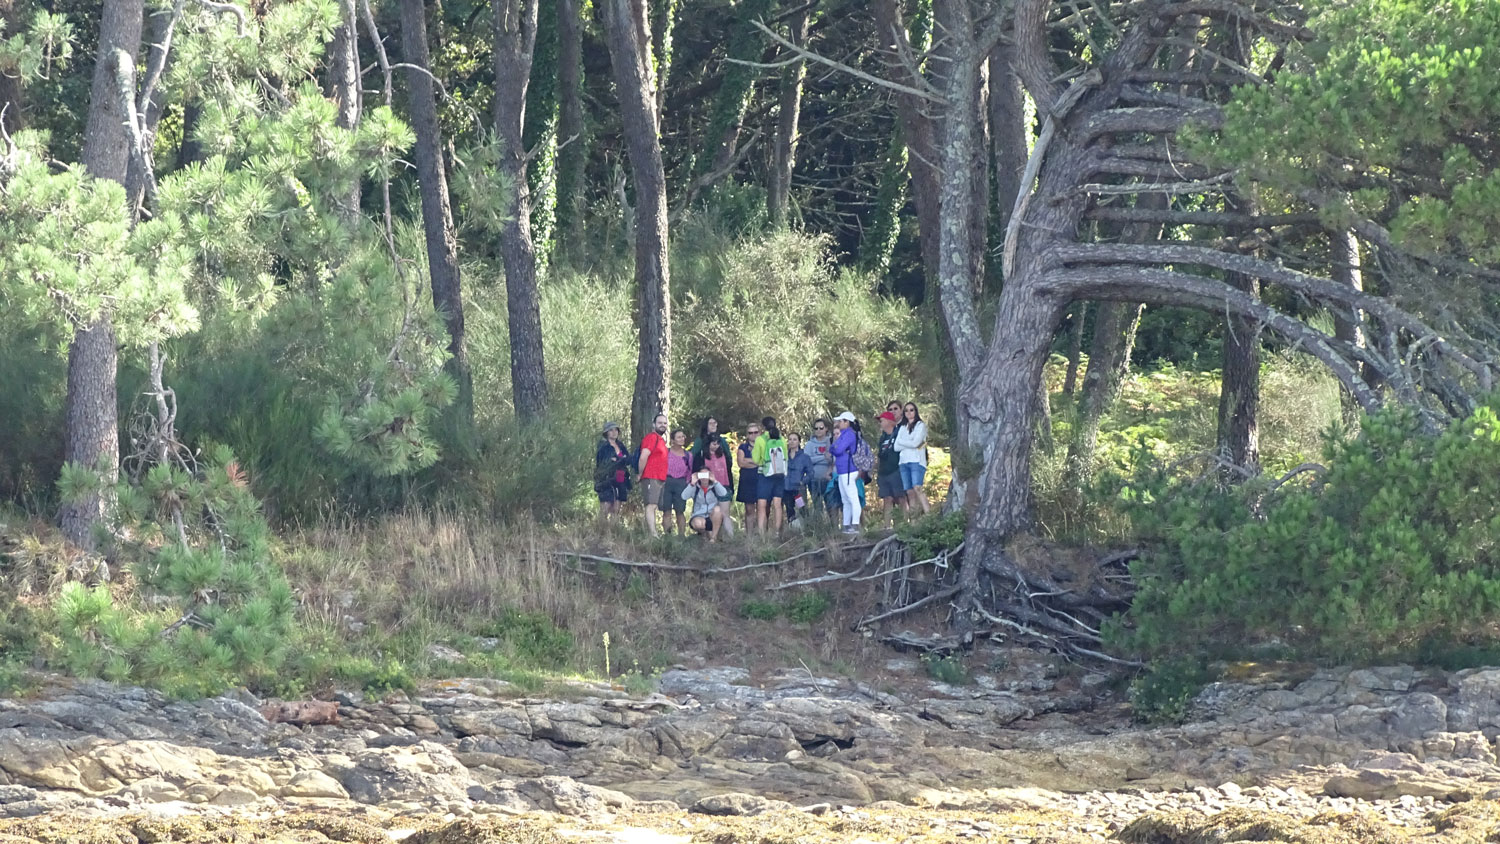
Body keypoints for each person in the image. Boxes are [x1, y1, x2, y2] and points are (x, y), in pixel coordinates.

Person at [752, 416, 788, 535]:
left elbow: (756, 459)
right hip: (779, 475)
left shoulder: (760, 440)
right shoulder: (782, 439)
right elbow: (785, 457)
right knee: (778, 504)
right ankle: (777, 532)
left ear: (763, 427)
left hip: (765, 475)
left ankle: (762, 533)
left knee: (762, 505)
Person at [694, 436, 736, 537]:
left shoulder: (723, 455)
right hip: (708, 488)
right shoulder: (701, 457)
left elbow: (728, 470)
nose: (716, 446)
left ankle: (731, 537)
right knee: (708, 513)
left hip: (724, 486)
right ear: (708, 444)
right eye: (713, 443)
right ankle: (711, 536)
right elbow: (697, 473)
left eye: (718, 443)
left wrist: (730, 486)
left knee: (725, 513)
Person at [896, 402, 931, 515]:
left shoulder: (920, 425)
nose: (909, 413)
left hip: (916, 461)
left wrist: (903, 442)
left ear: (915, 411)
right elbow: (896, 447)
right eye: (906, 410)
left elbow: (916, 443)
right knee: (909, 492)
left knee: (917, 488)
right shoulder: (902, 428)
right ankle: (914, 522)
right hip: (903, 462)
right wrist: (909, 443)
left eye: (911, 410)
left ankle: (929, 515)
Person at [637, 413, 670, 536]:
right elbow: (643, 457)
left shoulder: (661, 440)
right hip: (651, 476)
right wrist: (640, 474)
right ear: (654, 424)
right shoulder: (651, 437)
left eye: (665, 423)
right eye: (660, 423)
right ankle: (653, 534)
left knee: (654, 505)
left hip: (660, 478)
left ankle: (655, 533)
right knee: (650, 505)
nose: (662, 425)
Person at [594, 421, 632, 526]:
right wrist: (618, 460)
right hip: (607, 478)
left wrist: (619, 459)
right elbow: (603, 461)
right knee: (606, 505)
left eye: (616, 430)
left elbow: (627, 459)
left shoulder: (620, 445)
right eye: (611, 430)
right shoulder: (603, 446)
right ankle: (601, 530)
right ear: (606, 432)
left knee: (617, 506)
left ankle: (613, 530)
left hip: (621, 476)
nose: (614, 432)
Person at [830, 411, 862, 534]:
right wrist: (835, 448)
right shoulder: (844, 434)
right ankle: (846, 525)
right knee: (845, 499)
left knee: (852, 497)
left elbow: (837, 450)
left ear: (846, 422)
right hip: (842, 470)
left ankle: (855, 524)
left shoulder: (849, 434)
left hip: (849, 469)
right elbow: (833, 448)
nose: (838, 423)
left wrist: (835, 448)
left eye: (840, 421)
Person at [876, 411, 907, 527]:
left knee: (901, 497)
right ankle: (887, 525)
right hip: (884, 472)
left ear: (889, 422)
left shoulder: (898, 433)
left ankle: (903, 524)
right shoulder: (882, 437)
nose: (880, 423)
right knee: (887, 498)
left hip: (896, 469)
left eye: (882, 420)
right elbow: (880, 454)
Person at [661, 428, 693, 536]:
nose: (682, 439)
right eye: (679, 437)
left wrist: (687, 483)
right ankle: (667, 536)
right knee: (666, 511)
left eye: (683, 436)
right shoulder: (666, 452)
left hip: (681, 483)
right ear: (673, 440)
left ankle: (681, 536)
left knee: (680, 511)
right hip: (666, 482)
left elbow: (690, 470)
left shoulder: (688, 455)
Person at [682, 471, 730, 541]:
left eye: (706, 475)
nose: (704, 477)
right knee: (698, 523)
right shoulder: (695, 488)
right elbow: (684, 496)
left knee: (718, 509)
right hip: (699, 516)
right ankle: (705, 535)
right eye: (702, 475)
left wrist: (715, 481)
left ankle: (713, 537)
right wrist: (692, 483)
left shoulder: (714, 487)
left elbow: (724, 493)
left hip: (712, 515)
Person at [805, 418, 837, 516]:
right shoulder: (810, 444)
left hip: (829, 479)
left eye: (821, 428)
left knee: (831, 506)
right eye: (816, 428)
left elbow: (833, 458)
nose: (818, 430)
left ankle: (834, 529)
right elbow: (807, 460)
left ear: (826, 429)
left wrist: (816, 458)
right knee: (817, 507)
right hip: (814, 479)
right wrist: (823, 457)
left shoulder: (831, 441)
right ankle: (819, 528)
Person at [783, 431, 813, 525]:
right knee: (789, 509)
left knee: (802, 509)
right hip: (786, 488)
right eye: (790, 439)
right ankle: (792, 529)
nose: (792, 442)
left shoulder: (804, 457)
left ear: (799, 442)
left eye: (794, 439)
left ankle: (806, 528)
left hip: (798, 489)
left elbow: (810, 472)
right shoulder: (784, 456)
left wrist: (802, 481)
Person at [735, 421, 762, 527]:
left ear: (760, 433)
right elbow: (741, 463)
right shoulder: (743, 447)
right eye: (750, 433)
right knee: (749, 510)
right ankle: (749, 538)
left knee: (763, 508)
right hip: (747, 481)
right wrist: (756, 462)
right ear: (747, 435)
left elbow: (764, 462)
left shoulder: (764, 447)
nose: (753, 435)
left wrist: (749, 460)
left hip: (761, 480)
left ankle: (763, 536)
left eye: (756, 432)